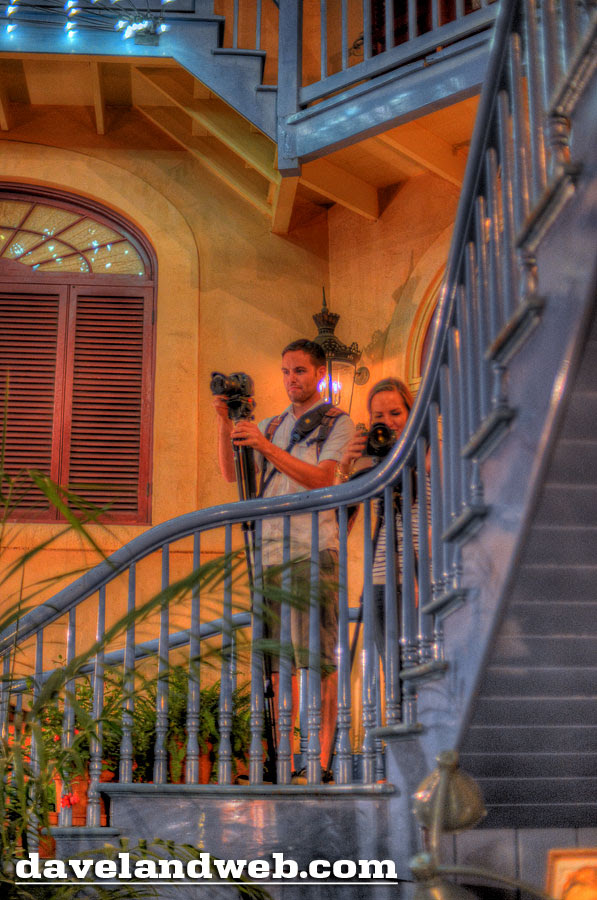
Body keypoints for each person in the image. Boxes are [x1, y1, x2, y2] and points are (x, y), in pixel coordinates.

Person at [213, 338, 355, 778]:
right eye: (286, 372)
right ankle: (285, 760)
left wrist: (265, 445)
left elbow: (323, 480)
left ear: (319, 374)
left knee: (319, 660)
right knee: (278, 668)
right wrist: (224, 422)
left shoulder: (337, 422)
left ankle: (322, 763)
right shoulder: (272, 424)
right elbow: (232, 474)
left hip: (313, 550)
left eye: (300, 371)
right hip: (272, 554)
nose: (291, 379)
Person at [335, 377, 421, 673]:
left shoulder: (429, 451)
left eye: (395, 413)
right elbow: (340, 523)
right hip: (381, 579)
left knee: (422, 675)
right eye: (378, 416)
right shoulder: (373, 462)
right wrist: (345, 465)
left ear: (411, 413)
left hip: (421, 576)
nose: (388, 422)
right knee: (394, 678)